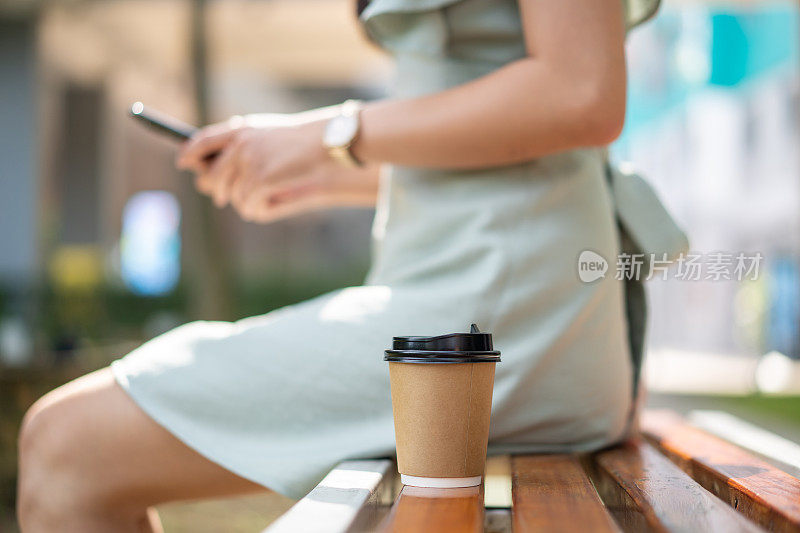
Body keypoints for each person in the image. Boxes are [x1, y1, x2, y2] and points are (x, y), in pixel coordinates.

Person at [17, 0, 660, 530]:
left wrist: (331, 135)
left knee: (66, 445)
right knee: (66, 442)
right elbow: (501, 137)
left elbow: (582, 90)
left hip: (496, 315)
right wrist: (315, 171)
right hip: (489, 298)